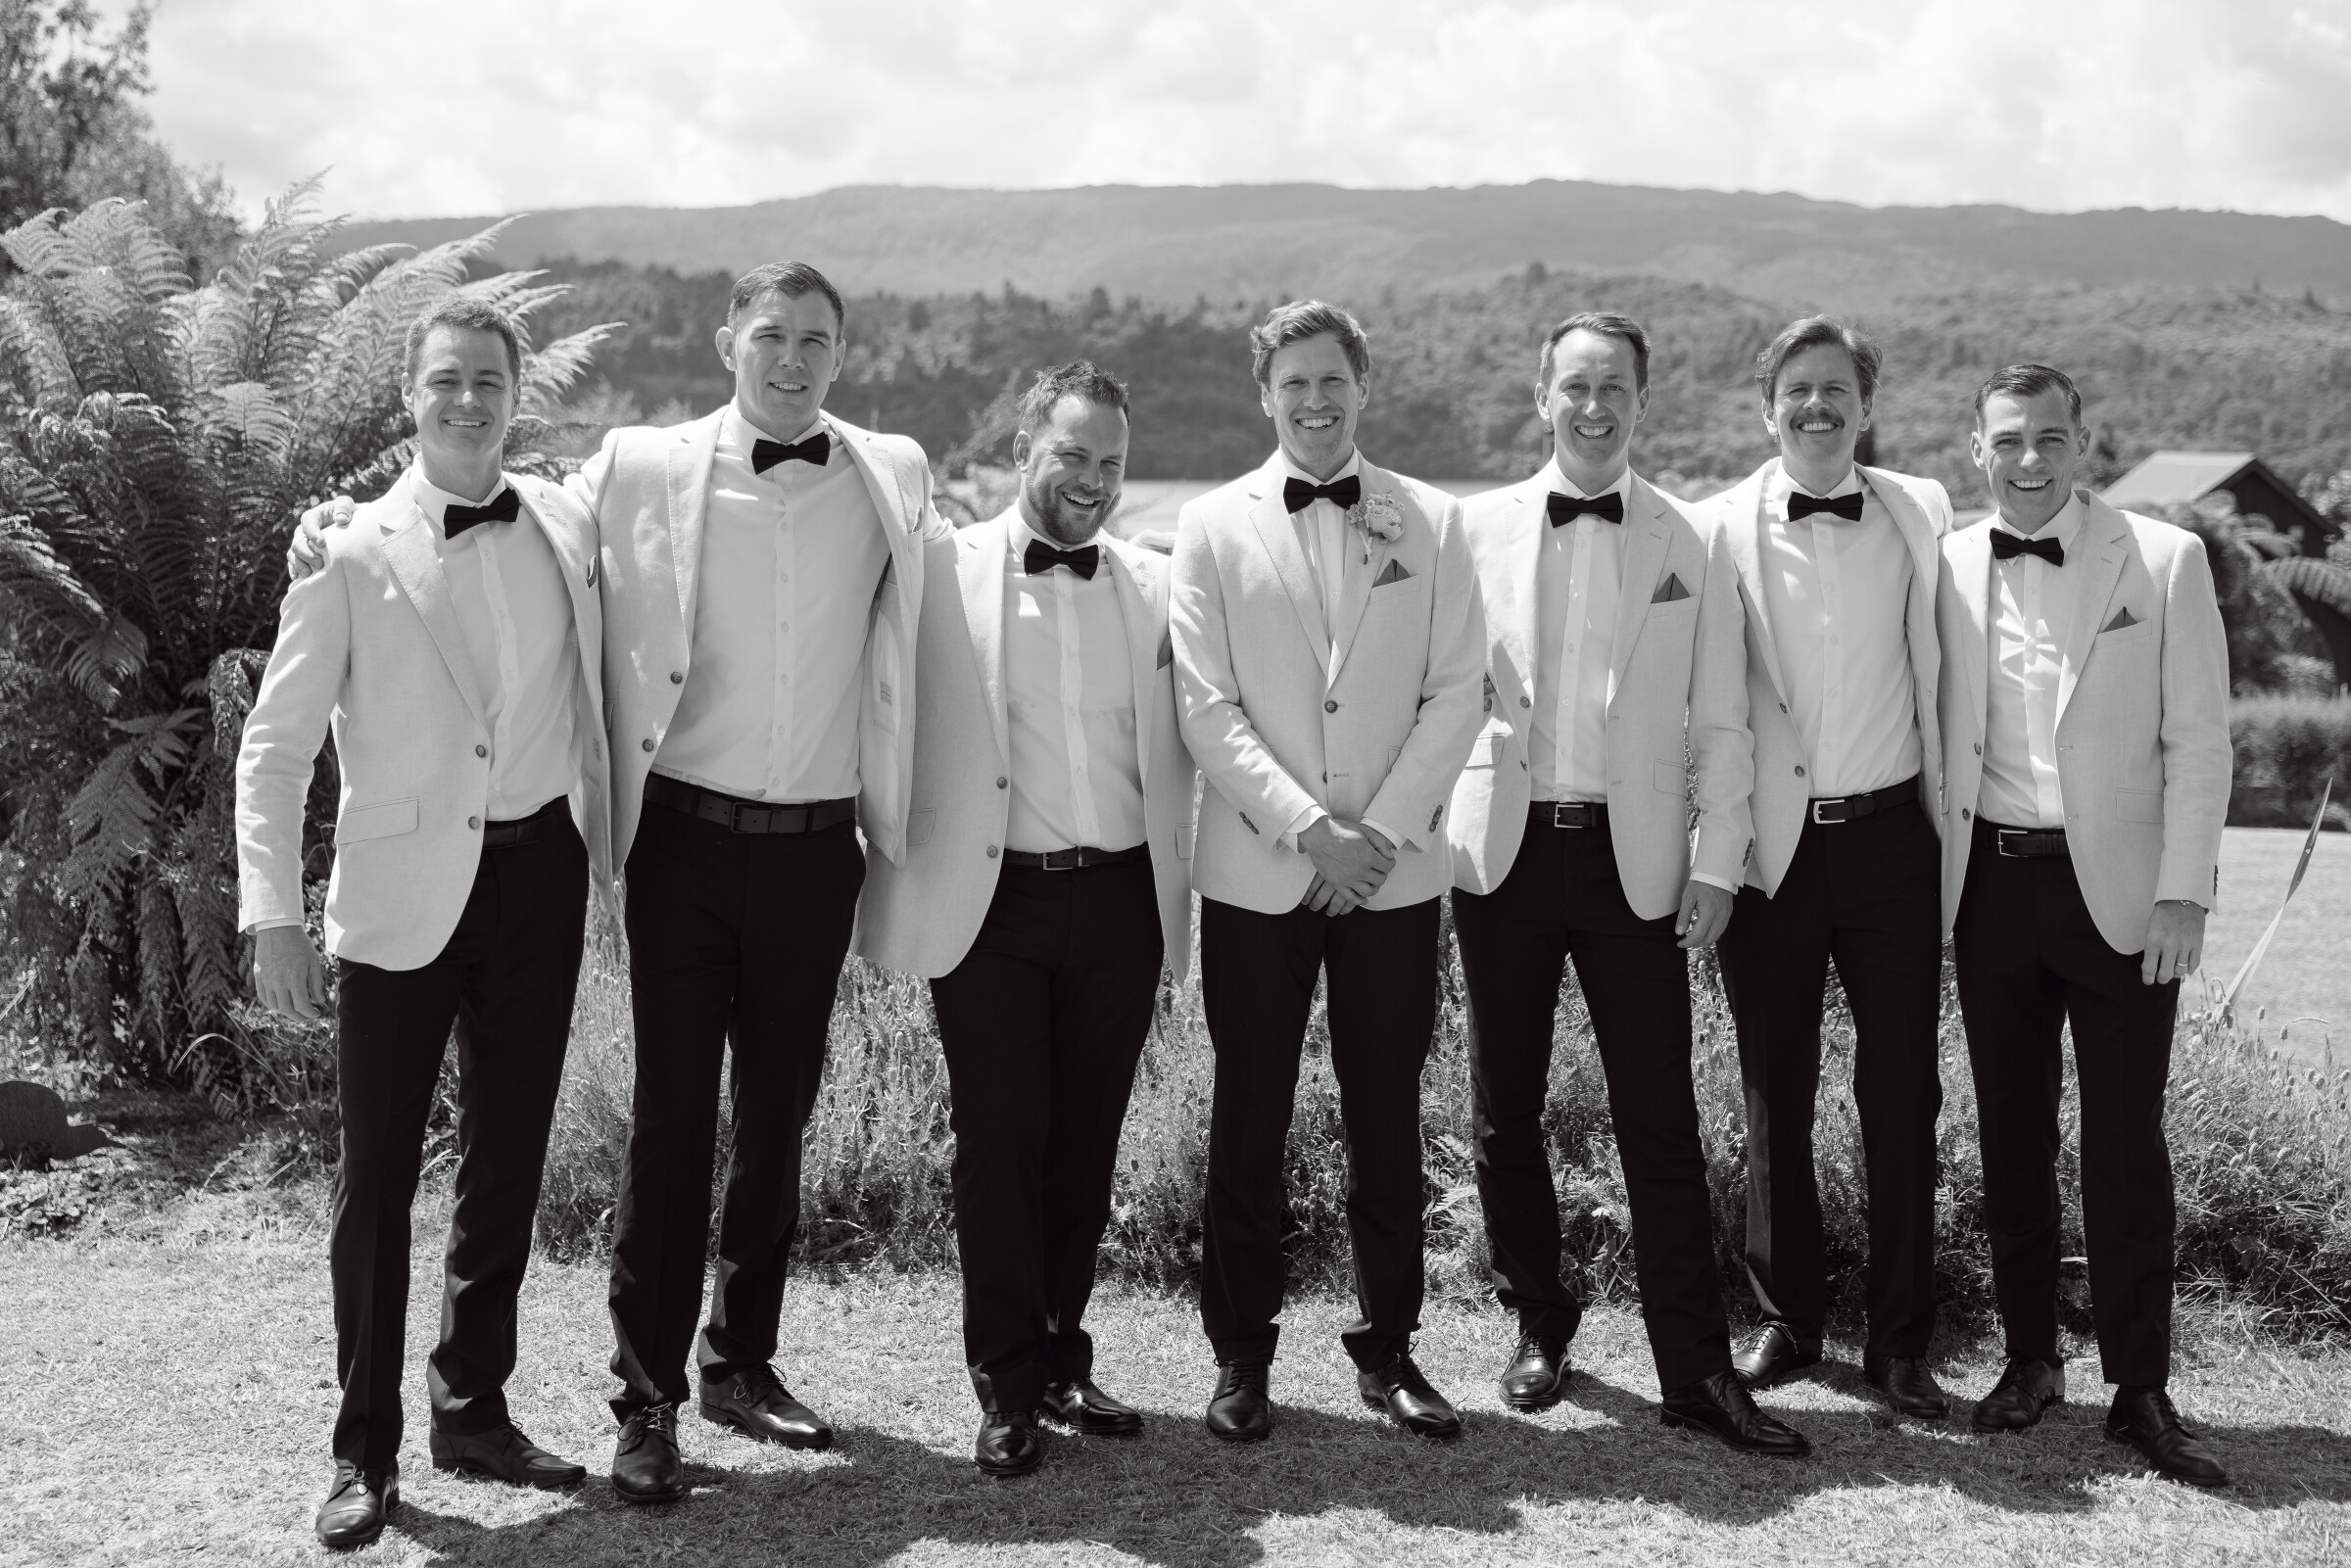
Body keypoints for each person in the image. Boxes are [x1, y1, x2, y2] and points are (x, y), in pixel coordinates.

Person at [294, 261, 943, 1505]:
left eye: (816, 339)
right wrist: (332, 520)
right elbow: (484, 503)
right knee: (671, 1120)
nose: (792, 358)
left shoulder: (892, 472)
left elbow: (964, 581)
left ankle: (740, 1359)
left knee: (781, 1113)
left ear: (843, 354)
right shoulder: (639, 466)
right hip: (681, 841)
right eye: (770, 333)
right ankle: (647, 1399)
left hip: (820, 846)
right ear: (726, 340)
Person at [240, 298, 612, 1548]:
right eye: (445, 378)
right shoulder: (346, 550)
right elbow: (275, 749)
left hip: (540, 876)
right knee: (378, 1181)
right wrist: (273, 916)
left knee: (508, 1159)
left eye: (488, 380)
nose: (468, 399)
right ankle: (362, 1449)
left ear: (518, 394)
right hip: (399, 894)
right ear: (411, 394)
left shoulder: (564, 520)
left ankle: (474, 1409)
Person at [1446, 313, 1806, 1457]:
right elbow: (1437, 694)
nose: (1594, 406)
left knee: (1661, 1119)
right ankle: (1539, 1322)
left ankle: (1694, 1369)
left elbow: (1725, 719)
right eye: (1576, 385)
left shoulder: (1693, 539)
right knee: (1504, 1107)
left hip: (1636, 862)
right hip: (1502, 851)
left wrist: (1717, 859)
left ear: (1643, 402)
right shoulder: (1472, 529)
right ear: (1541, 395)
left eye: (1615, 388)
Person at [857, 362, 1198, 1477]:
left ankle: (1060, 1357)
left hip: (1124, 900)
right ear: (1021, 451)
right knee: (1001, 1143)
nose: (1094, 479)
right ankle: (1005, 1380)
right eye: (1072, 454)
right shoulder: (940, 571)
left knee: (1085, 1147)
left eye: (1112, 461)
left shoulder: (1155, 583)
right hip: (990, 902)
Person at [1169, 300, 1485, 1443]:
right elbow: (1205, 704)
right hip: (1260, 870)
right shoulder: (1208, 525)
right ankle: (1241, 1355)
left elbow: (1458, 689)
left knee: (1386, 1112)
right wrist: (1311, 829)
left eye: (1331, 380)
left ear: (1364, 386)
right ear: (1265, 395)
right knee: (1249, 1114)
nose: (1313, 400)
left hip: (1392, 877)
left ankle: (1389, 1347)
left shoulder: (1433, 520)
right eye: (1292, 382)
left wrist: (1377, 835)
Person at [1935, 364, 2231, 1485]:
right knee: (2011, 1136)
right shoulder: (1942, 564)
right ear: (1977, 447)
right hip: (1990, 888)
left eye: (2049, 437)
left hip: (2125, 895)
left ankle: (2140, 1387)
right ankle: (2029, 1360)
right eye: (2008, 439)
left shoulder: (2165, 558)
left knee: (2123, 1143)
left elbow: (2199, 737)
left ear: (2083, 442)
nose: (2029, 459)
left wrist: (2184, 889)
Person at [1705, 316, 1954, 1419]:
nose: (1818, 405)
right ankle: (1788, 1318)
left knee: (1902, 1094)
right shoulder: (1715, 528)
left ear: (1867, 404)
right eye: (1797, 389)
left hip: (1895, 841)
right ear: (1768, 408)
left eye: (1837, 388)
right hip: (1773, 849)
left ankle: (1901, 1341)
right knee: (1778, 1093)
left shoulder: (1922, 510)